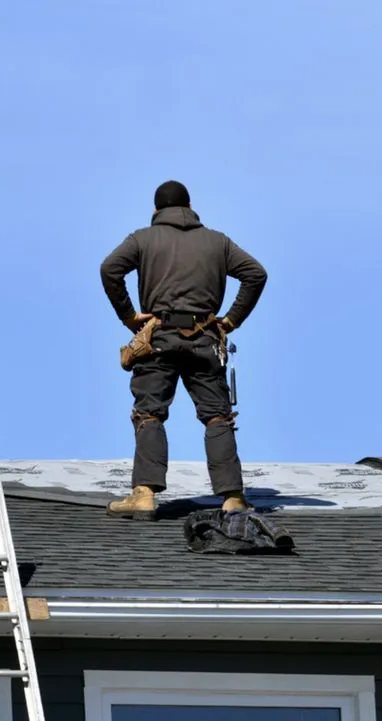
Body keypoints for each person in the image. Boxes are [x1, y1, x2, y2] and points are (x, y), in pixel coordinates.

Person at [99, 180, 268, 520]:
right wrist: (230, 321)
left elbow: (109, 269)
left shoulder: (142, 239)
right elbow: (255, 274)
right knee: (217, 416)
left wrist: (130, 317)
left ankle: (144, 494)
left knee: (150, 413)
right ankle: (233, 497)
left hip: (158, 339)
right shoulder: (217, 242)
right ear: (190, 206)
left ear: (155, 211)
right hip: (205, 338)